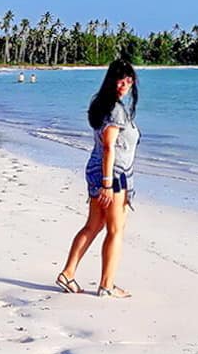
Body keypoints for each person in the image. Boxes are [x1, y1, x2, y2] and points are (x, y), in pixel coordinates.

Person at [56, 59, 140, 298]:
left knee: (93, 225)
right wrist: (107, 184)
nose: (124, 86)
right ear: (111, 80)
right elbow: (108, 146)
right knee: (115, 230)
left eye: (129, 81)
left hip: (97, 171)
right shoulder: (115, 109)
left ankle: (68, 274)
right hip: (113, 175)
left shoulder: (102, 104)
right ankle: (107, 285)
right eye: (120, 81)